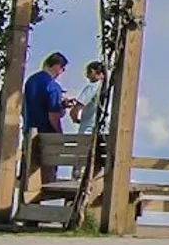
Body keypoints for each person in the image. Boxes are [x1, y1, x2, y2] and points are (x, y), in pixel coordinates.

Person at [21, 52, 70, 195]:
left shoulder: (30, 81)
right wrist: (59, 133)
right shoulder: (53, 86)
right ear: (57, 66)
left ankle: (27, 208)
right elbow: (53, 115)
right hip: (47, 135)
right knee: (46, 179)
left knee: (29, 174)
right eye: (62, 69)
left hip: (29, 131)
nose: (62, 73)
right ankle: (42, 210)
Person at [71, 60, 108, 135]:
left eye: (88, 72)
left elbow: (76, 109)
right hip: (104, 130)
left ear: (92, 71)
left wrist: (75, 119)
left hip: (88, 130)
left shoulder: (91, 87)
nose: (87, 76)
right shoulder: (107, 88)